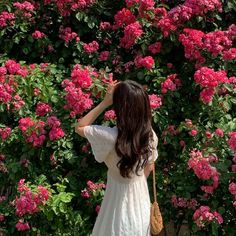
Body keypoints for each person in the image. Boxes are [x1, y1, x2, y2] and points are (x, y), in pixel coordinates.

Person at [75, 79, 158, 236]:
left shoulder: (110, 137)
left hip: (115, 204)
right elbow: (149, 167)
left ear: (120, 107)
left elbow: (79, 126)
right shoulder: (150, 136)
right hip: (140, 202)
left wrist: (105, 102)